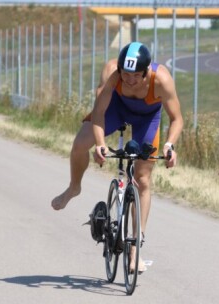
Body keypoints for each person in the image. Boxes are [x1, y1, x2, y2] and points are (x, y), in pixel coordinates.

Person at [51, 41, 183, 271]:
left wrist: (170, 145)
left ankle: (135, 248)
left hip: (147, 119)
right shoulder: (113, 74)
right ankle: (74, 187)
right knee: (80, 144)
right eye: (125, 74)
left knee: (142, 180)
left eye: (135, 76)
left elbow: (177, 119)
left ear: (147, 72)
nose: (129, 80)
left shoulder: (161, 79)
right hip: (116, 109)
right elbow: (99, 112)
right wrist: (101, 145)